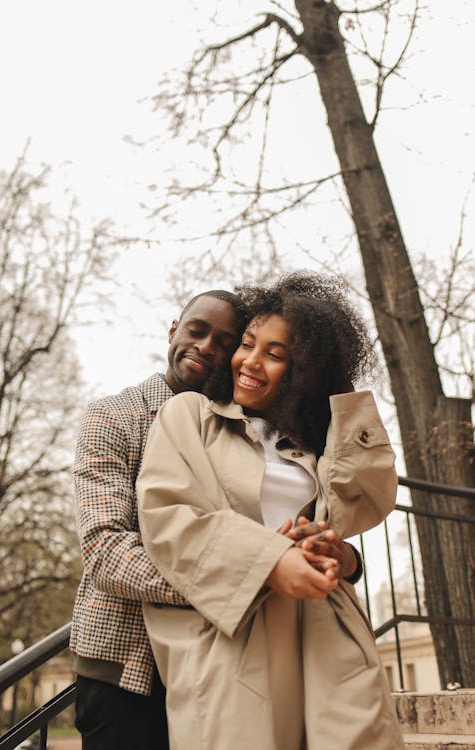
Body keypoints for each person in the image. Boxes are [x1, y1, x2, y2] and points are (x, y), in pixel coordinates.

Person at [137, 271, 405, 750]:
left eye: (276, 354)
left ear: (302, 370)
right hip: (234, 636)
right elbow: (171, 518)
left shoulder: (307, 444)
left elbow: (368, 498)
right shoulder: (188, 416)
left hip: (327, 634)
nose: (250, 362)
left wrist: (342, 557)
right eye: (248, 343)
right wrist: (271, 560)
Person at [70, 290, 245, 750]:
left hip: (216, 664)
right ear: (173, 330)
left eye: (226, 342)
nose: (208, 347)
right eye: (197, 330)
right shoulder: (113, 417)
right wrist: (228, 584)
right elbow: (105, 551)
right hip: (125, 669)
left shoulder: (239, 432)